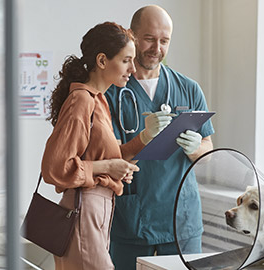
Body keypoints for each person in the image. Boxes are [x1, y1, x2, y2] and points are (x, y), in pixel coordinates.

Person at [41, 21, 162, 270]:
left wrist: (146, 138)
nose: (133, 68)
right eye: (126, 60)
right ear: (102, 61)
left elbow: (113, 156)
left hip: (96, 211)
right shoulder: (82, 101)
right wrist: (107, 166)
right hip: (83, 211)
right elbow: (54, 167)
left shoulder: (99, 101)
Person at [105, 5, 215, 270]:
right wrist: (143, 137)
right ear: (132, 36)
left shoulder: (188, 89)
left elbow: (209, 148)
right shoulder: (111, 92)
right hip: (131, 221)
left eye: (164, 41)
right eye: (149, 39)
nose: (157, 48)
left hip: (181, 222)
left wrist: (195, 148)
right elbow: (105, 157)